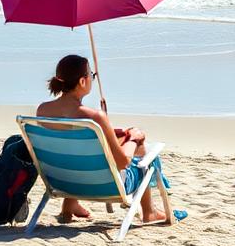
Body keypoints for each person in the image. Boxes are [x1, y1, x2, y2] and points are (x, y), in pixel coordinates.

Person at [35, 54, 167, 225]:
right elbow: (122, 163)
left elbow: (70, 137)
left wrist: (108, 131)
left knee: (76, 154)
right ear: (82, 81)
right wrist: (133, 139)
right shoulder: (95, 118)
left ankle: (70, 204)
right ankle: (149, 211)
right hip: (101, 185)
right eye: (91, 75)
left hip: (64, 181)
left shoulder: (43, 111)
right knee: (142, 150)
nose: (92, 78)